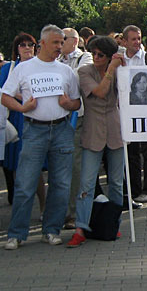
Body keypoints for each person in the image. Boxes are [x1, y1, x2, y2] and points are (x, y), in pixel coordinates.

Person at [3, 24, 81, 250]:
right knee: (26, 183)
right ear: (43, 43)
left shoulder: (66, 71)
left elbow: (76, 102)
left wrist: (69, 104)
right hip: (34, 130)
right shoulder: (24, 69)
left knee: (60, 183)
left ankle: (52, 229)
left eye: (62, 42)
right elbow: (5, 96)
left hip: (61, 130)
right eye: (56, 42)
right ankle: (16, 233)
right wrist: (22, 108)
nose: (60, 46)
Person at [67, 36, 125, 247]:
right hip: (92, 131)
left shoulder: (120, 71)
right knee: (87, 183)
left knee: (117, 183)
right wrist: (111, 69)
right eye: (94, 53)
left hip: (115, 129)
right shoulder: (85, 71)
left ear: (109, 56)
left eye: (101, 55)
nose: (96, 58)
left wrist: (122, 68)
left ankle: (113, 223)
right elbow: (100, 92)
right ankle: (81, 227)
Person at [0, 33, 47, 212]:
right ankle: (21, 211)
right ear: (16, 49)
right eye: (22, 45)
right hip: (16, 118)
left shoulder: (41, 67)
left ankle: (43, 207)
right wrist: (22, 96)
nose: (27, 47)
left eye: (31, 44)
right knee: (17, 168)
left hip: (37, 118)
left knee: (35, 170)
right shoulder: (9, 68)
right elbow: (3, 92)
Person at [58, 27, 93, 230]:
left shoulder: (85, 57)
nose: (59, 44)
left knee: (76, 166)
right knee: (59, 167)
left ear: (74, 40)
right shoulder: (57, 60)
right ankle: (61, 211)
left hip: (77, 118)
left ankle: (73, 213)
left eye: (62, 40)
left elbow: (77, 78)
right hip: (58, 118)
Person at [122, 25, 147, 204]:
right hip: (127, 114)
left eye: (139, 38)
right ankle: (133, 190)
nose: (137, 42)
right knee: (131, 154)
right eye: (133, 39)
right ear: (124, 41)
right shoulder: (119, 59)